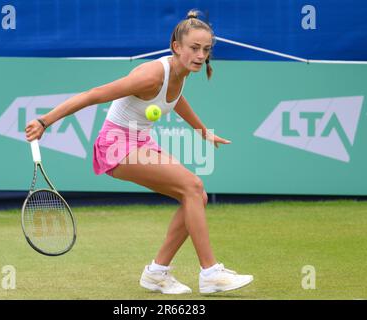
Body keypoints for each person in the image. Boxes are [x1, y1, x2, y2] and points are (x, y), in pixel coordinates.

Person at [25, 10, 253, 294]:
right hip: (115, 145)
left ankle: (157, 273)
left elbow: (176, 100)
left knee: (197, 196)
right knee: (193, 186)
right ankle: (210, 272)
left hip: (140, 142)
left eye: (206, 50)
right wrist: (44, 121)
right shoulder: (150, 75)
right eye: (194, 48)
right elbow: (92, 94)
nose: (200, 55)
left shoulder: (179, 74)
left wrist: (202, 131)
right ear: (176, 47)